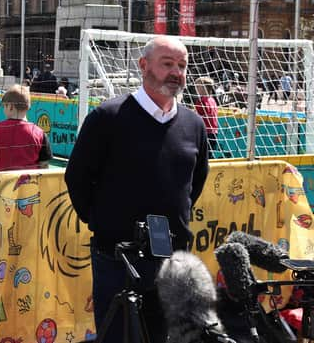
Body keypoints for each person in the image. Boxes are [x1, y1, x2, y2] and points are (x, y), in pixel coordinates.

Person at [64, 36, 209, 343]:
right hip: (118, 258)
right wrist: (102, 222)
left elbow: (194, 183)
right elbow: (77, 177)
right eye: (167, 63)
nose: (176, 72)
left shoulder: (194, 125)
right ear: (144, 66)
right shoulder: (107, 117)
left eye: (181, 66)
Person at [0, 84, 52, 171]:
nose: (3, 110)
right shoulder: (40, 133)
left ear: (10, 107)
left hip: (3, 182)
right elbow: (44, 166)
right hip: (30, 182)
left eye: (4, 106)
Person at [194, 76, 219, 158]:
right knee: (209, 157)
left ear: (203, 87)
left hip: (204, 133)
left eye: (197, 86)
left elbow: (197, 117)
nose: (196, 89)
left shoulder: (201, 101)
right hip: (214, 132)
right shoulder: (212, 100)